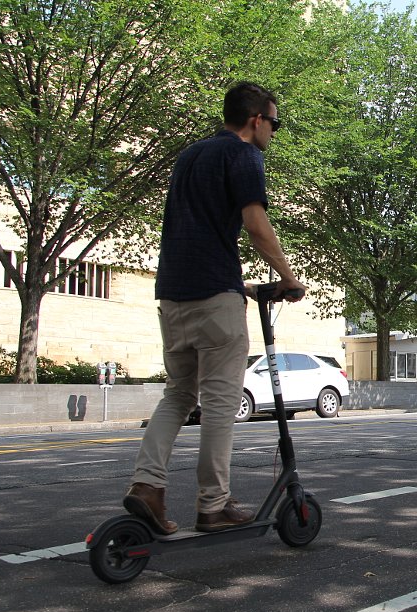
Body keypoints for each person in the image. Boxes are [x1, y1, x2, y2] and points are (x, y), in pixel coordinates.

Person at [123, 82, 307, 535]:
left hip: (172, 294)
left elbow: (196, 229)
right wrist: (287, 277)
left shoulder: (190, 155)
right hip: (214, 299)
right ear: (255, 120)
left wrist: (239, 282)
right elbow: (255, 223)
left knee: (178, 395)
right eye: (274, 123)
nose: (274, 132)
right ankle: (213, 504)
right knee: (222, 403)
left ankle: (147, 486)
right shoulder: (244, 155)